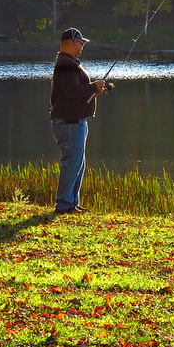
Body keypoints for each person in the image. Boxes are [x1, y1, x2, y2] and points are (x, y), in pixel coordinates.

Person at [49, 28, 107, 214]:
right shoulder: (66, 64)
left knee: (77, 164)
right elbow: (72, 91)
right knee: (71, 163)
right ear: (72, 43)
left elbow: (75, 90)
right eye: (81, 43)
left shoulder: (68, 63)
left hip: (74, 122)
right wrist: (93, 87)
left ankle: (72, 202)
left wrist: (94, 89)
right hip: (69, 122)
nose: (82, 46)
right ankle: (64, 205)